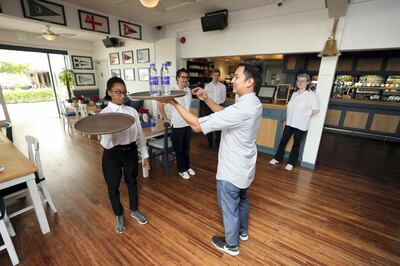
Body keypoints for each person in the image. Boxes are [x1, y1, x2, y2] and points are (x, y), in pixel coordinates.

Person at [157, 60, 263, 256]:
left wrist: (173, 102)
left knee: (229, 205)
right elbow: (224, 114)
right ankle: (243, 232)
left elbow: (196, 126)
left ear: (250, 82)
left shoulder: (243, 108)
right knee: (243, 199)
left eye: (237, 77)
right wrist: (206, 98)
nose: (233, 81)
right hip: (246, 166)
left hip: (232, 169)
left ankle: (231, 245)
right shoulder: (252, 103)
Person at [100, 77, 150, 234]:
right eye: (118, 92)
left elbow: (140, 135)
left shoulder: (132, 111)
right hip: (112, 154)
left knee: (132, 181)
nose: (122, 96)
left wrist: (145, 155)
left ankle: (134, 209)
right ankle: (119, 214)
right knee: (113, 187)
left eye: (124, 92)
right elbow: (105, 143)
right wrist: (110, 130)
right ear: (109, 93)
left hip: (130, 152)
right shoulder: (103, 114)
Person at [269, 73, 319, 171]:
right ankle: (277, 158)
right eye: (298, 80)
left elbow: (316, 109)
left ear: (308, 82)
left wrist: (305, 113)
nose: (300, 82)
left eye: (303, 81)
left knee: (296, 144)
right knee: (283, 141)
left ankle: (291, 163)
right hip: (290, 122)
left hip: (301, 124)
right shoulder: (294, 94)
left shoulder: (310, 95)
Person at [157, 68, 195, 180]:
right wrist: (166, 118)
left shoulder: (188, 90)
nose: (185, 79)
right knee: (179, 148)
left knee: (186, 147)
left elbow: (188, 107)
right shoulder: (171, 90)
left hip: (188, 124)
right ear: (177, 78)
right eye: (183, 77)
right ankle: (181, 169)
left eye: (186, 77)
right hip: (177, 125)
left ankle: (187, 167)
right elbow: (160, 104)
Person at [201, 69, 226, 148]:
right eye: (214, 75)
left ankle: (218, 142)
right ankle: (210, 142)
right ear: (211, 76)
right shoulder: (207, 86)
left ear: (219, 76)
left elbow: (223, 97)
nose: (216, 77)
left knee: (219, 125)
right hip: (208, 108)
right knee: (209, 125)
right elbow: (204, 97)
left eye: (217, 75)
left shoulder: (222, 86)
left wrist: (219, 104)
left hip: (219, 107)